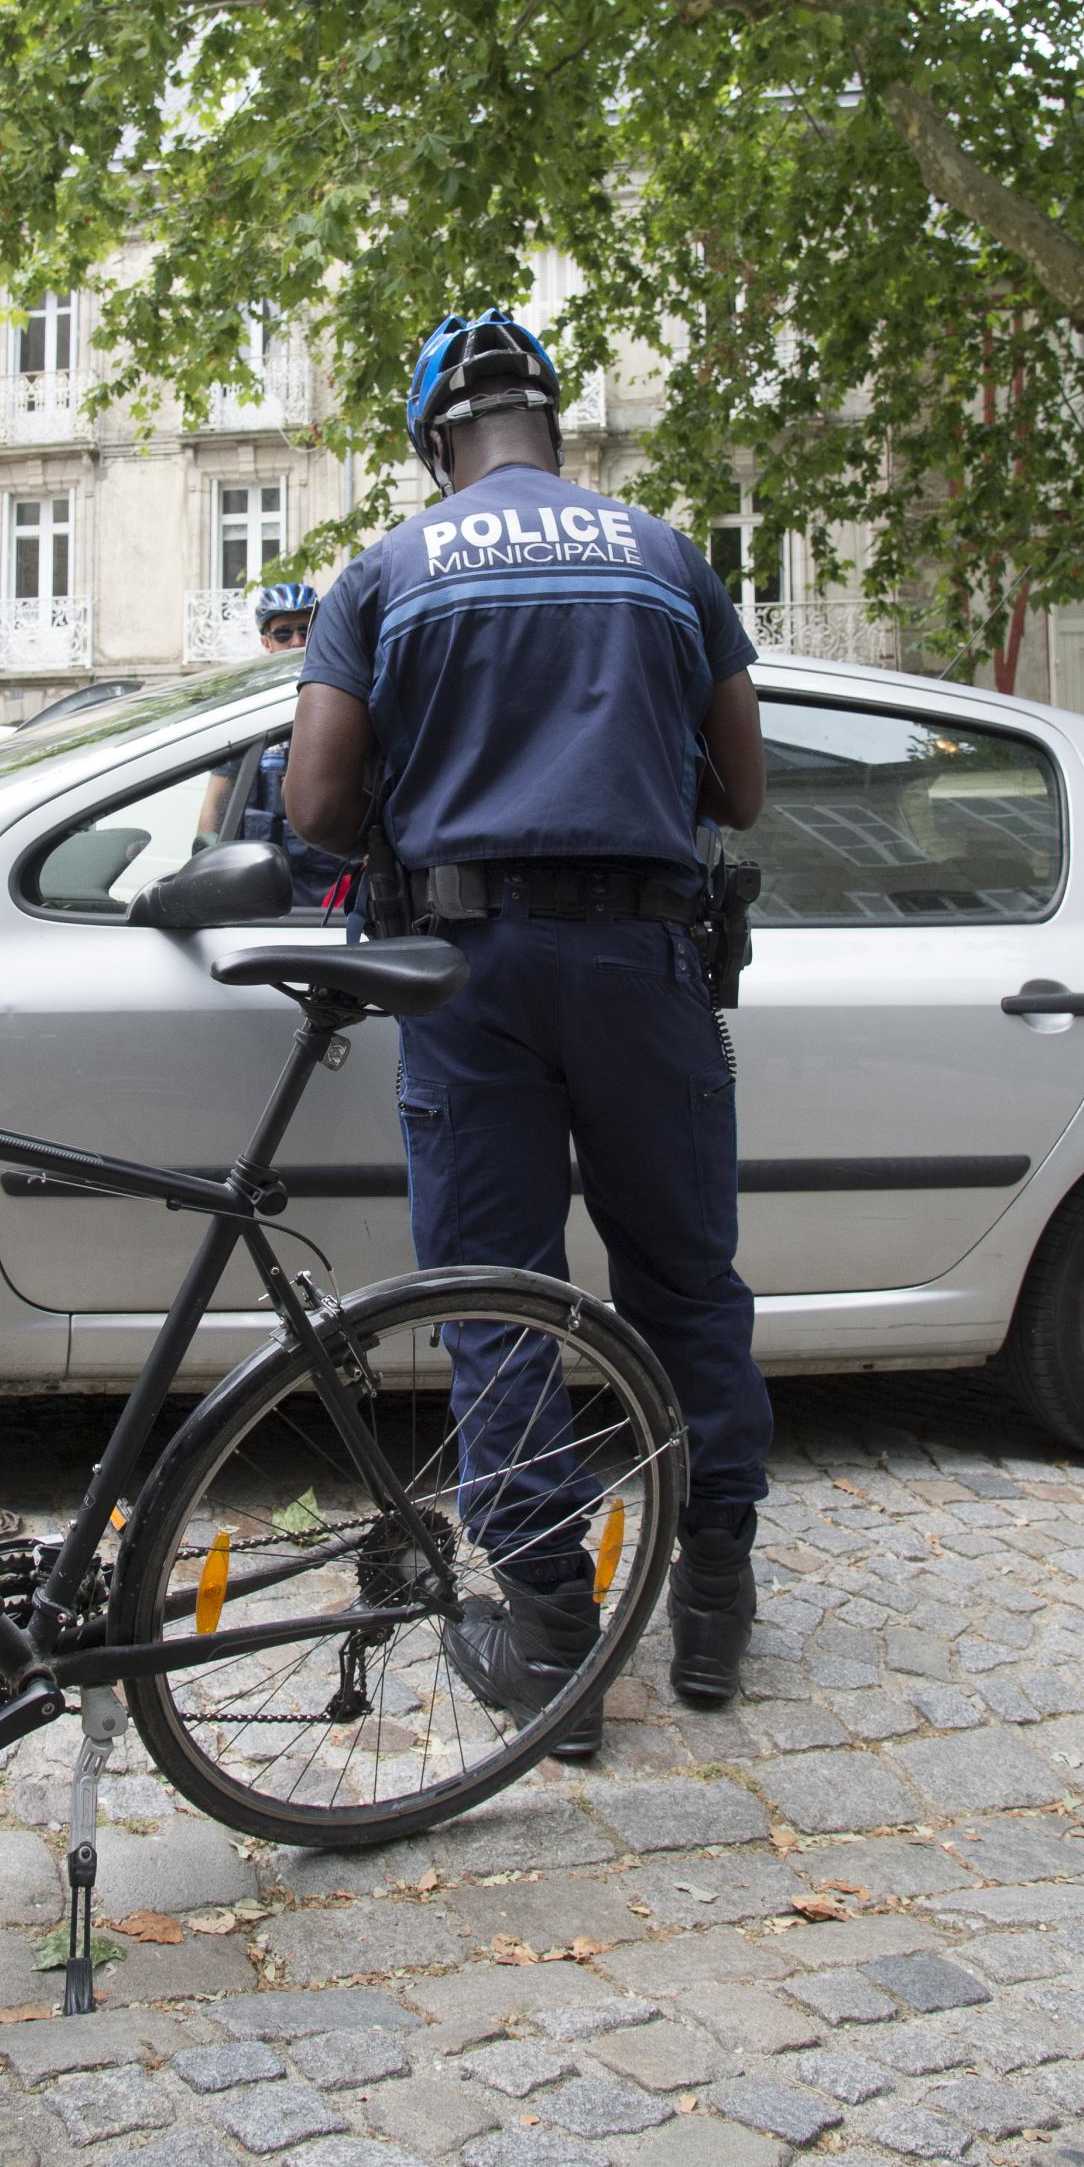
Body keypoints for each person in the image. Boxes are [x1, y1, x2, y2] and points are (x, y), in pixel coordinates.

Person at [284, 307, 770, 1757]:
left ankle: (554, 1638)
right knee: (685, 1280)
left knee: (500, 1294)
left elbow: (311, 808)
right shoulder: (666, 556)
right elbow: (742, 790)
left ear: (441, 443)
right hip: (643, 958)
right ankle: (713, 1606)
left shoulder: (386, 571)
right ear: (553, 425)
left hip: (469, 967)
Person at [197, 583, 346, 908]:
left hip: (330, 897)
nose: (297, 641)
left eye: (306, 630)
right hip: (260, 894)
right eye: (284, 634)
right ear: (266, 641)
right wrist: (200, 874)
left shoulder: (345, 701)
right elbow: (215, 804)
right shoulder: (249, 712)